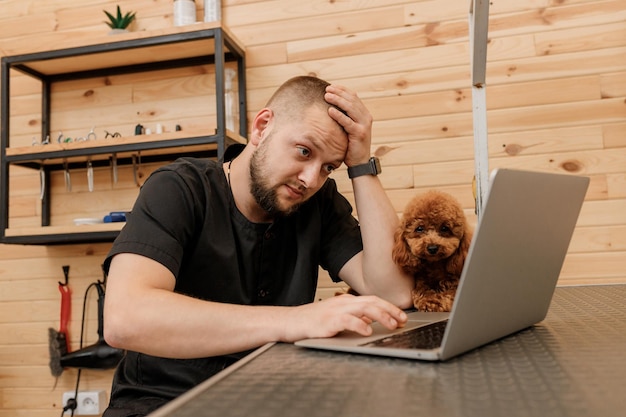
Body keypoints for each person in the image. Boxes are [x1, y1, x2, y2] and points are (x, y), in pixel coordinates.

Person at [102, 75, 414, 416]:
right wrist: (292, 321)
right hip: (164, 404)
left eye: (328, 167)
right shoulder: (179, 188)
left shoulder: (318, 203)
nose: (310, 179)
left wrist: (360, 165)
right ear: (262, 126)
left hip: (269, 401)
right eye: (303, 151)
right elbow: (124, 319)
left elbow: (394, 293)